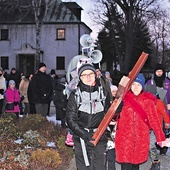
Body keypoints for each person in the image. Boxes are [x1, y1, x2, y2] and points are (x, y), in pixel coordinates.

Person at [115, 73, 166, 170]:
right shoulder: (123, 99)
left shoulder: (148, 101)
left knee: (136, 166)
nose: (135, 87)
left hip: (140, 140)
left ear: (142, 86)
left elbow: (154, 120)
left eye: (138, 85)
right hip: (125, 140)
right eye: (133, 84)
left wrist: (160, 138)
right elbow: (114, 115)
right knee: (125, 166)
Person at [66, 62, 111, 170]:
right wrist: (84, 135)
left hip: (99, 136)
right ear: (80, 77)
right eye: (84, 75)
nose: (88, 77)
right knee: (83, 167)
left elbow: (109, 113)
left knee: (100, 167)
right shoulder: (75, 95)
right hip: (81, 137)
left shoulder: (103, 93)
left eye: (90, 74)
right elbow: (70, 119)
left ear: (95, 75)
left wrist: (117, 108)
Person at [145, 85, 170, 156]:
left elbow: (164, 113)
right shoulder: (144, 102)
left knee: (152, 143)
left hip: (156, 127)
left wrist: (167, 123)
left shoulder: (158, 102)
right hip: (146, 126)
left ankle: (156, 159)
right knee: (148, 142)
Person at [106, 84, 118, 170]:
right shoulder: (106, 102)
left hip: (116, 130)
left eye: (116, 91)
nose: (115, 93)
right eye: (113, 91)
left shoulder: (119, 102)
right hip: (107, 131)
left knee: (112, 154)